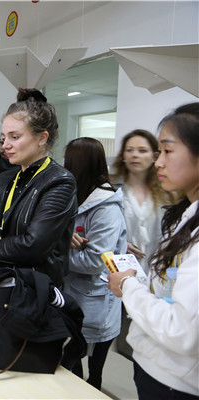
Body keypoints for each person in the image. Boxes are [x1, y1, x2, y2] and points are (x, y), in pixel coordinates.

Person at [107, 103, 199, 399]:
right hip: (155, 363)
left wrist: (128, 285)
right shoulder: (184, 212)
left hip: (175, 380)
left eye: (167, 151)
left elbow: (182, 330)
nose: (158, 162)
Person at [0, 88, 77, 287]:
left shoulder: (59, 181)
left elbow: (34, 245)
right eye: (4, 137)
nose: (5, 145)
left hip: (34, 289)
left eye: (15, 137)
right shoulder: (4, 178)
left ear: (42, 138)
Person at [62, 137, 126, 390]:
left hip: (96, 295)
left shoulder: (105, 207)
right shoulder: (77, 195)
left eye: (68, 162)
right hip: (75, 292)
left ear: (79, 165)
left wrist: (56, 254)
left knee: (92, 367)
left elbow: (94, 260)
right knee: (74, 362)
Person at [112, 129, 175, 274]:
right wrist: (119, 243)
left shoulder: (168, 192)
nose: (135, 155)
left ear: (154, 156)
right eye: (129, 150)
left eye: (142, 150)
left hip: (158, 268)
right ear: (123, 155)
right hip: (120, 270)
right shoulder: (112, 190)